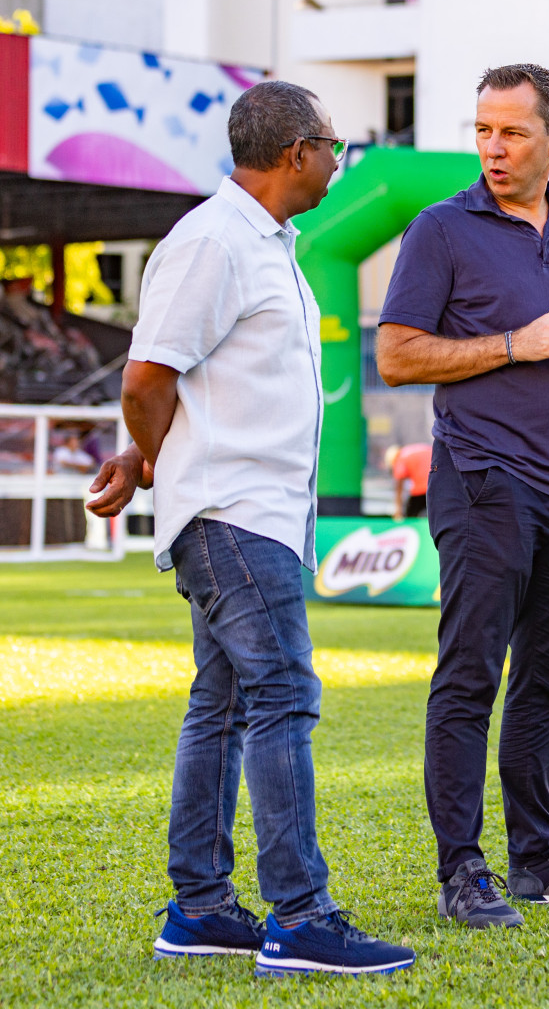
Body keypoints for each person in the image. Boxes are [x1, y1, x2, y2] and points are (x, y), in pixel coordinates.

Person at [83, 81, 413, 976]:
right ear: (299, 151)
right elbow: (147, 379)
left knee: (224, 705)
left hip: (245, 513)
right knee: (282, 699)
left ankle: (198, 909)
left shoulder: (267, 244)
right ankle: (301, 918)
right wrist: (148, 458)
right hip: (232, 513)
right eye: (335, 146)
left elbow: (190, 384)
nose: (342, 161)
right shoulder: (214, 241)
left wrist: (149, 458)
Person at [374, 63, 549, 929]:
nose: (493, 147)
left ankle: (539, 859)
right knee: (469, 680)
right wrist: (517, 342)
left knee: (547, 685)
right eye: (483, 130)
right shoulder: (440, 229)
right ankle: (463, 871)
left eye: (513, 132)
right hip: (485, 479)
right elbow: (399, 355)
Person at [388, 441, 431, 519]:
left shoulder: (400, 458)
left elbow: (399, 486)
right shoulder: (411, 451)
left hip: (422, 488)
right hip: (438, 483)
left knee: (411, 514)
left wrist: (398, 511)